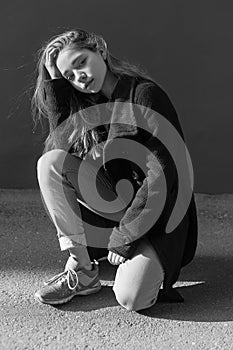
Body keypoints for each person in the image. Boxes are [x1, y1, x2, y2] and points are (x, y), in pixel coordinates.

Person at [31, 28, 198, 311]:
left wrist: (126, 236)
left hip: (159, 216)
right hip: (115, 208)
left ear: (101, 51)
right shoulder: (87, 104)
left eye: (80, 63)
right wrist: (56, 85)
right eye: (69, 76)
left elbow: (163, 172)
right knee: (50, 163)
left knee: (132, 298)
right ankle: (83, 271)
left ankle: (145, 260)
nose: (79, 78)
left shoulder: (145, 95)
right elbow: (61, 147)